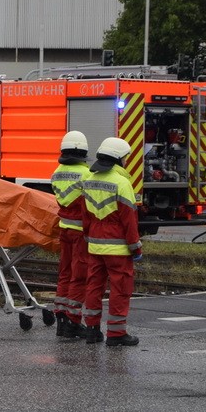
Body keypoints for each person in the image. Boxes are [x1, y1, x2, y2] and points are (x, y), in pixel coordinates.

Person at [81, 137, 142, 347]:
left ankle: (91, 330)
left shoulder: (88, 178)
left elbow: (86, 215)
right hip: (118, 249)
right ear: (119, 160)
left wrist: (88, 238)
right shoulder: (121, 182)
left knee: (93, 287)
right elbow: (129, 220)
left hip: (95, 246)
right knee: (120, 289)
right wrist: (135, 246)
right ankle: (116, 334)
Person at [50, 130, 92, 339]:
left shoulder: (57, 172)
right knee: (79, 277)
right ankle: (73, 322)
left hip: (64, 229)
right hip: (81, 234)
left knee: (65, 274)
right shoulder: (86, 175)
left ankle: (61, 318)